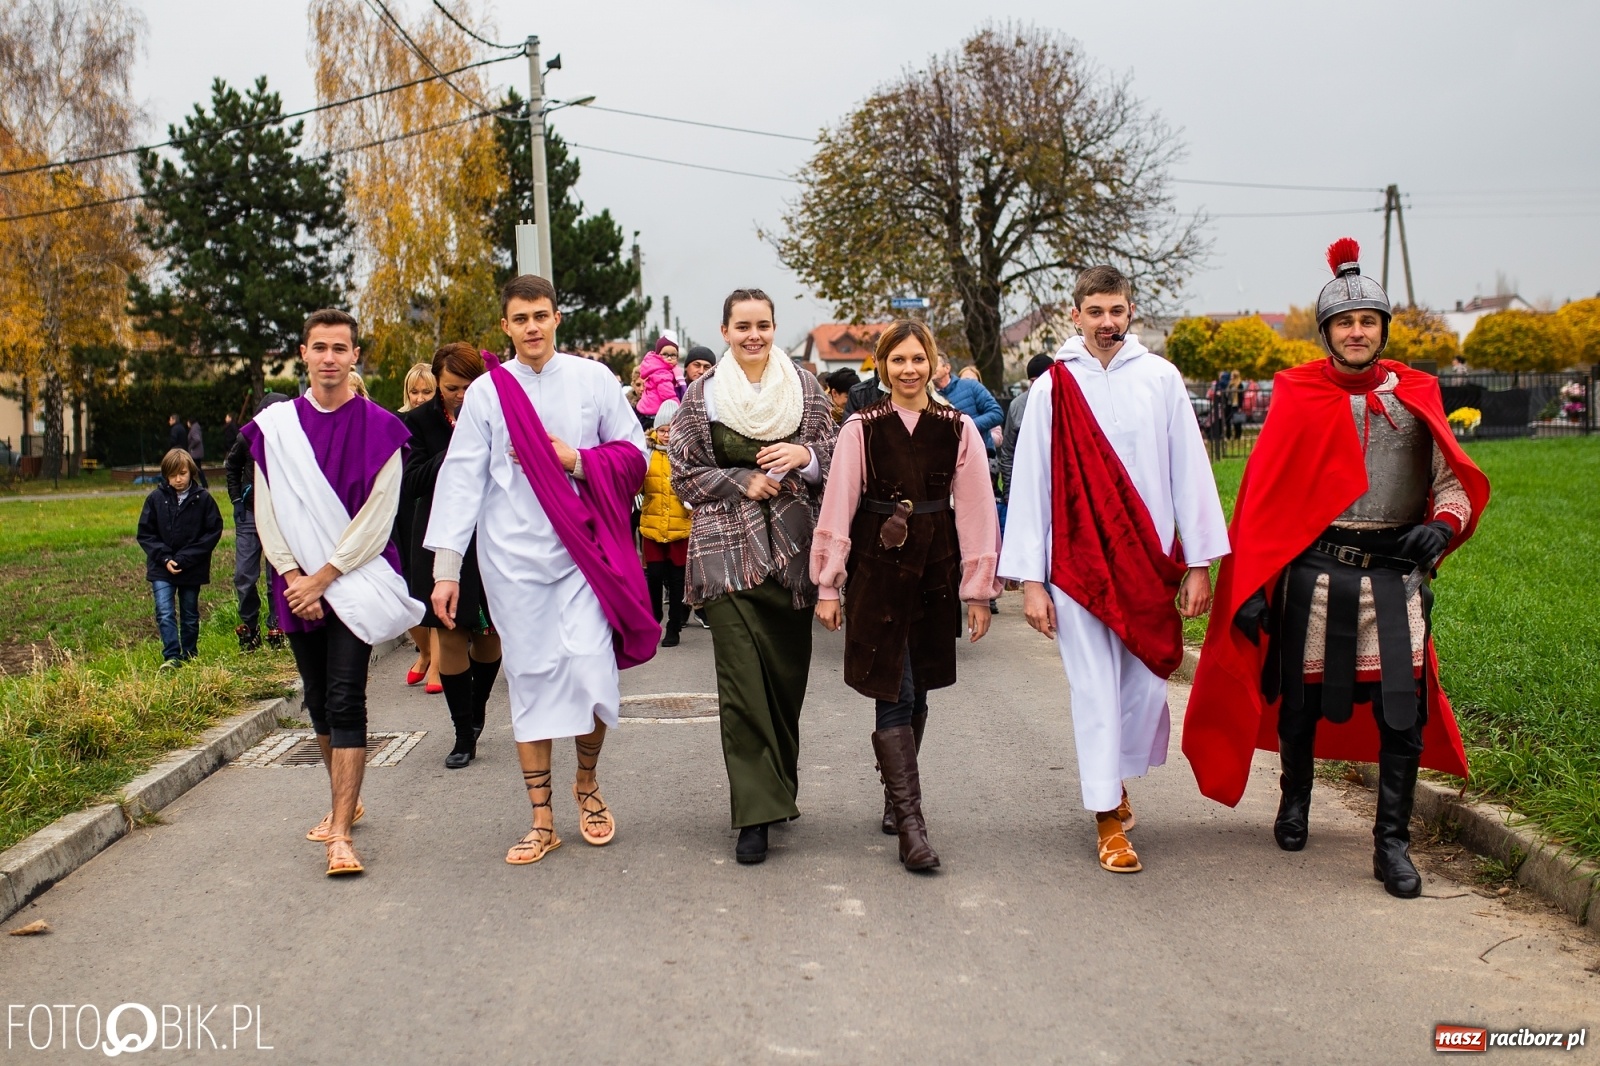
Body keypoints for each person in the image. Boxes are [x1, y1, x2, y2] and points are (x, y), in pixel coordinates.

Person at [1183, 238, 1490, 899]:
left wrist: (1442, 525)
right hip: (1313, 574)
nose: (1356, 331)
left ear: (1382, 328)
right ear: (1327, 332)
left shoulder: (1417, 394)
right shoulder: (1296, 393)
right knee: (1299, 705)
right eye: (1344, 323)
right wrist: (1254, 586)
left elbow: (1452, 483)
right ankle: (1294, 803)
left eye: (1367, 322)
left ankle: (1391, 844)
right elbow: (1265, 497)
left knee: (1401, 715)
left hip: (1395, 576)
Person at [999, 265, 1229, 875]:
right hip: (1077, 568)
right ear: (1074, 316)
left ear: (1131, 314)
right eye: (1095, 311)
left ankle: (1115, 779)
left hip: (1148, 564)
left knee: (1147, 685)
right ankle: (1106, 819)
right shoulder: (1053, 388)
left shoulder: (1161, 378)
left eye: (1116, 311)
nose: (1106, 322)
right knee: (1094, 691)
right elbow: (1030, 487)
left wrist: (1199, 564)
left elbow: (1190, 471)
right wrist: (1029, 580)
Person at [426, 275, 657, 866]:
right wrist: (447, 570)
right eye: (521, 317)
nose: (532, 326)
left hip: (584, 554)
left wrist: (574, 460)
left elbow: (636, 455)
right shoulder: (487, 393)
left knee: (590, 669)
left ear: (558, 319)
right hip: (511, 560)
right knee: (529, 681)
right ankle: (541, 819)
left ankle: (587, 784)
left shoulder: (593, 378)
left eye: (541, 315)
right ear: (505, 327)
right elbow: (460, 480)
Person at [811, 320, 1001, 872]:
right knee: (894, 688)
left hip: (936, 571)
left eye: (918, 358)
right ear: (883, 366)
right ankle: (912, 825)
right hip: (878, 570)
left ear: (933, 363)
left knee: (920, 695)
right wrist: (829, 582)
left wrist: (979, 591)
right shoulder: (860, 429)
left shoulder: (957, 427)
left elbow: (976, 512)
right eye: (898, 360)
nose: (909, 369)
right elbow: (839, 505)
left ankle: (896, 799)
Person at [243, 308, 423, 877]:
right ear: (303, 354)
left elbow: (379, 517)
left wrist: (326, 576)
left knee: (347, 698)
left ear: (354, 356)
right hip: (296, 584)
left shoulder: (382, 427)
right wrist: (295, 577)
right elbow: (264, 508)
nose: (329, 358)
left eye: (339, 348)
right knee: (317, 699)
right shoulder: (276, 428)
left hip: (356, 578)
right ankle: (347, 798)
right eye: (318, 348)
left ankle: (341, 832)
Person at [669, 288, 836, 865]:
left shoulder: (806, 388)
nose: (754, 335)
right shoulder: (702, 396)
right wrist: (741, 480)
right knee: (742, 687)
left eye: (763, 324)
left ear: (773, 327)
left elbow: (836, 457)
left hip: (793, 559)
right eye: (742, 325)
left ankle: (778, 790)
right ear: (724, 331)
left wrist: (802, 458)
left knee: (785, 685)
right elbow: (682, 474)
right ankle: (755, 814)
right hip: (726, 558)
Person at [403, 343, 502, 769]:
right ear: (438, 387)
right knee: (451, 631)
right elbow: (412, 482)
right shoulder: (419, 423)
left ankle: (477, 707)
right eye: (452, 388)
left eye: (469, 386)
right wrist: (456, 451)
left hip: (495, 532)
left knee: (490, 634)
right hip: (440, 536)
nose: (462, 395)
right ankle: (463, 733)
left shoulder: (496, 409)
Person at [136, 448, 223, 667]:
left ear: (190, 472)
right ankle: (172, 656)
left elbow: (212, 532)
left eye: (182, 473)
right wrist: (165, 558)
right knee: (164, 612)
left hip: (191, 568)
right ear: (165, 475)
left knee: (189, 614)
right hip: (161, 567)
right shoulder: (155, 499)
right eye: (173, 474)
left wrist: (185, 558)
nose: (178, 479)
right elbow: (146, 533)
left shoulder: (203, 499)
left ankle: (190, 654)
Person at [224, 392, 290, 651]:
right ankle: (249, 627)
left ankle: (277, 625)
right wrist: (237, 501)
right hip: (250, 514)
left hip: (280, 516)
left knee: (277, 576)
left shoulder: (293, 441)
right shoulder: (247, 437)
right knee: (244, 575)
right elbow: (232, 467)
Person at [397, 361, 440, 693]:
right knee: (406, 592)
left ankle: (438, 665)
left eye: (427, 391)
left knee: (433, 588)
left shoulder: (443, 424)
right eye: (415, 391)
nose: (420, 397)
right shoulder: (396, 424)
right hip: (400, 512)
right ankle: (424, 653)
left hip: (431, 510)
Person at [639, 398, 692, 647]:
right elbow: (637, 487)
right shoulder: (646, 455)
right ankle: (655, 617)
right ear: (655, 431)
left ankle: (674, 625)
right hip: (651, 525)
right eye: (662, 430)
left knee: (677, 579)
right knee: (654, 576)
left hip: (680, 527)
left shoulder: (687, 456)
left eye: (672, 430)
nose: (667, 435)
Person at [997, 354, 1056, 515]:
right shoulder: (1017, 406)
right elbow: (1008, 451)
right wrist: (1009, 491)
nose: (1038, 385)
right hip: (1028, 483)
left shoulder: (1064, 401)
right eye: (1033, 381)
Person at [636, 336, 682, 421]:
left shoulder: (661, 369)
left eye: (673, 355)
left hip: (648, 409)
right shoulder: (661, 372)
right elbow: (668, 394)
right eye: (665, 354)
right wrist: (679, 409)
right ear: (657, 355)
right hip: (654, 413)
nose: (669, 358)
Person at [186, 416, 208, 488]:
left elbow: (197, 439)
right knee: (197, 468)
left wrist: (191, 447)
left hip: (195, 453)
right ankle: (204, 484)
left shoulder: (194, 429)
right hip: (197, 452)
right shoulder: (196, 427)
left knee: (192, 468)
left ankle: (191, 484)